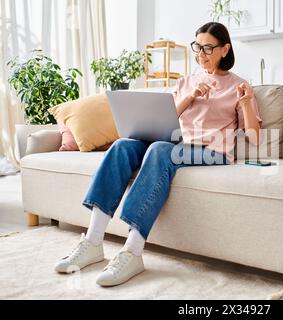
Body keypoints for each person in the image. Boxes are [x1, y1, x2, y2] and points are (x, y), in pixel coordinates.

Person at [54, 22, 262, 287]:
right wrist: (190, 96)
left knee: (160, 151)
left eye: (208, 48)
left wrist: (245, 102)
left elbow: (254, 137)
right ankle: (93, 241)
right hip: (175, 142)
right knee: (122, 146)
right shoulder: (186, 81)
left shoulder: (240, 85)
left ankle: (132, 252)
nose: (201, 54)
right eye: (197, 46)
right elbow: (168, 118)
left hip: (213, 151)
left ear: (225, 49)